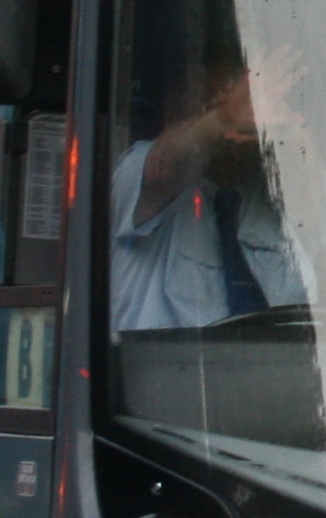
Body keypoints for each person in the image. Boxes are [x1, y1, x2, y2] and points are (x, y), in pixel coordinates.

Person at [108, 52, 308, 331]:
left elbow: (313, 184)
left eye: (250, 108)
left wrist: (292, 134)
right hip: (161, 371)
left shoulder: (284, 194)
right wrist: (222, 121)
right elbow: (166, 165)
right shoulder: (135, 173)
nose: (242, 119)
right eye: (210, 103)